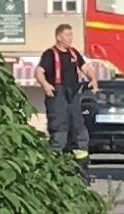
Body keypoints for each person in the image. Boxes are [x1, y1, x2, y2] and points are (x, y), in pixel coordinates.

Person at [37, 24, 97, 160]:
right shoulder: (50, 54)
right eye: (67, 35)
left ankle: (81, 162)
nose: (70, 38)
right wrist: (45, 85)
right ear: (59, 37)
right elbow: (39, 72)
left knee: (78, 127)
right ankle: (54, 161)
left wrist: (93, 78)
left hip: (73, 95)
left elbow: (86, 68)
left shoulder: (74, 53)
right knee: (59, 129)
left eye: (71, 35)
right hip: (57, 96)